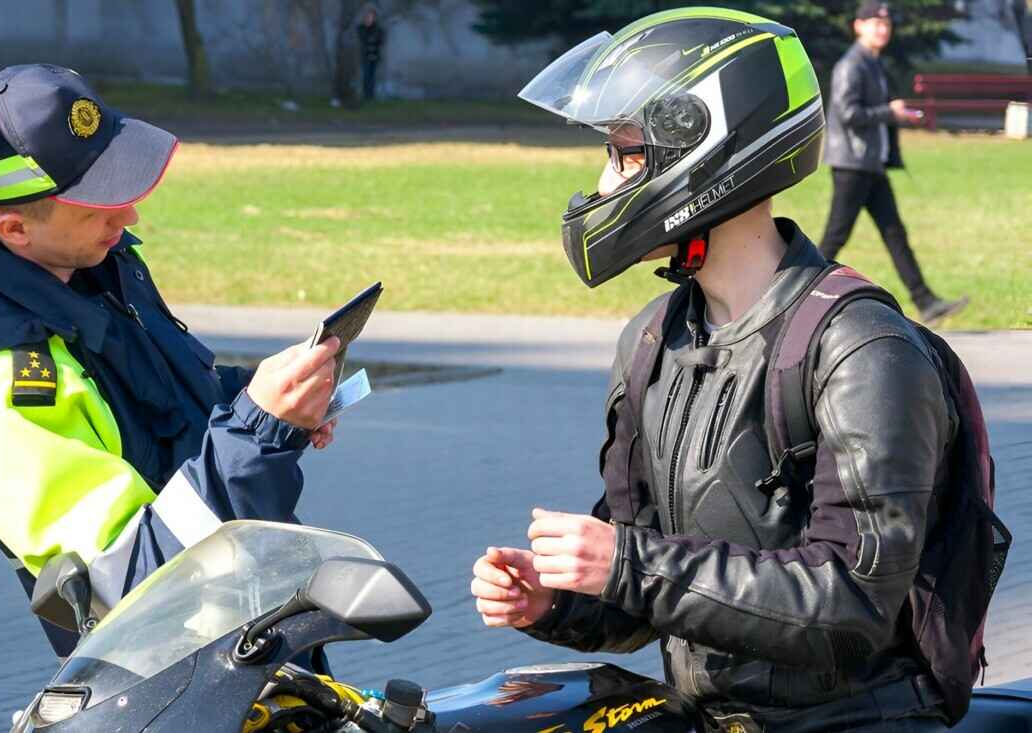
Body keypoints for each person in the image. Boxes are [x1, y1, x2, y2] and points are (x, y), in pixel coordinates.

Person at [471, 9, 959, 731]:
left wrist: (625, 562)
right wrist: (560, 598)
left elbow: (853, 603)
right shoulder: (652, 340)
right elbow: (649, 575)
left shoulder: (861, 348)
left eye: (625, 156)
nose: (604, 185)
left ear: (706, 149)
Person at [0, 64, 339, 657]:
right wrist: (257, 431)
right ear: (14, 227)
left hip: (250, 635)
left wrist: (261, 401)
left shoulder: (78, 267)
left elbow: (162, 408)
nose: (128, 217)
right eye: (98, 204)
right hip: (180, 676)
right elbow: (133, 585)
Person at [820, 0, 967, 326]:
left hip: (870, 165)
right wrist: (891, 112)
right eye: (875, 23)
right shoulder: (851, 65)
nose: (882, 29)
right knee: (835, 237)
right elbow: (848, 114)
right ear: (858, 26)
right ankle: (795, 297)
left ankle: (926, 302)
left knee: (894, 233)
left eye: (885, 25)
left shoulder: (872, 63)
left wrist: (895, 117)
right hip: (852, 165)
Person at [357, 6, 385, 101]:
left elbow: (380, 40)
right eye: (367, 17)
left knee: (372, 76)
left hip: (375, 55)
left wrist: (373, 41)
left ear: (374, 18)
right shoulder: (361, 28)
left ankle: (371, 96)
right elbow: (363, 39)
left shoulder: (378, 28)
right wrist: (371, 40)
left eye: (371, 17)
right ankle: (366, 95)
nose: (369, 18)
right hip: (365, 55)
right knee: (366, 75)